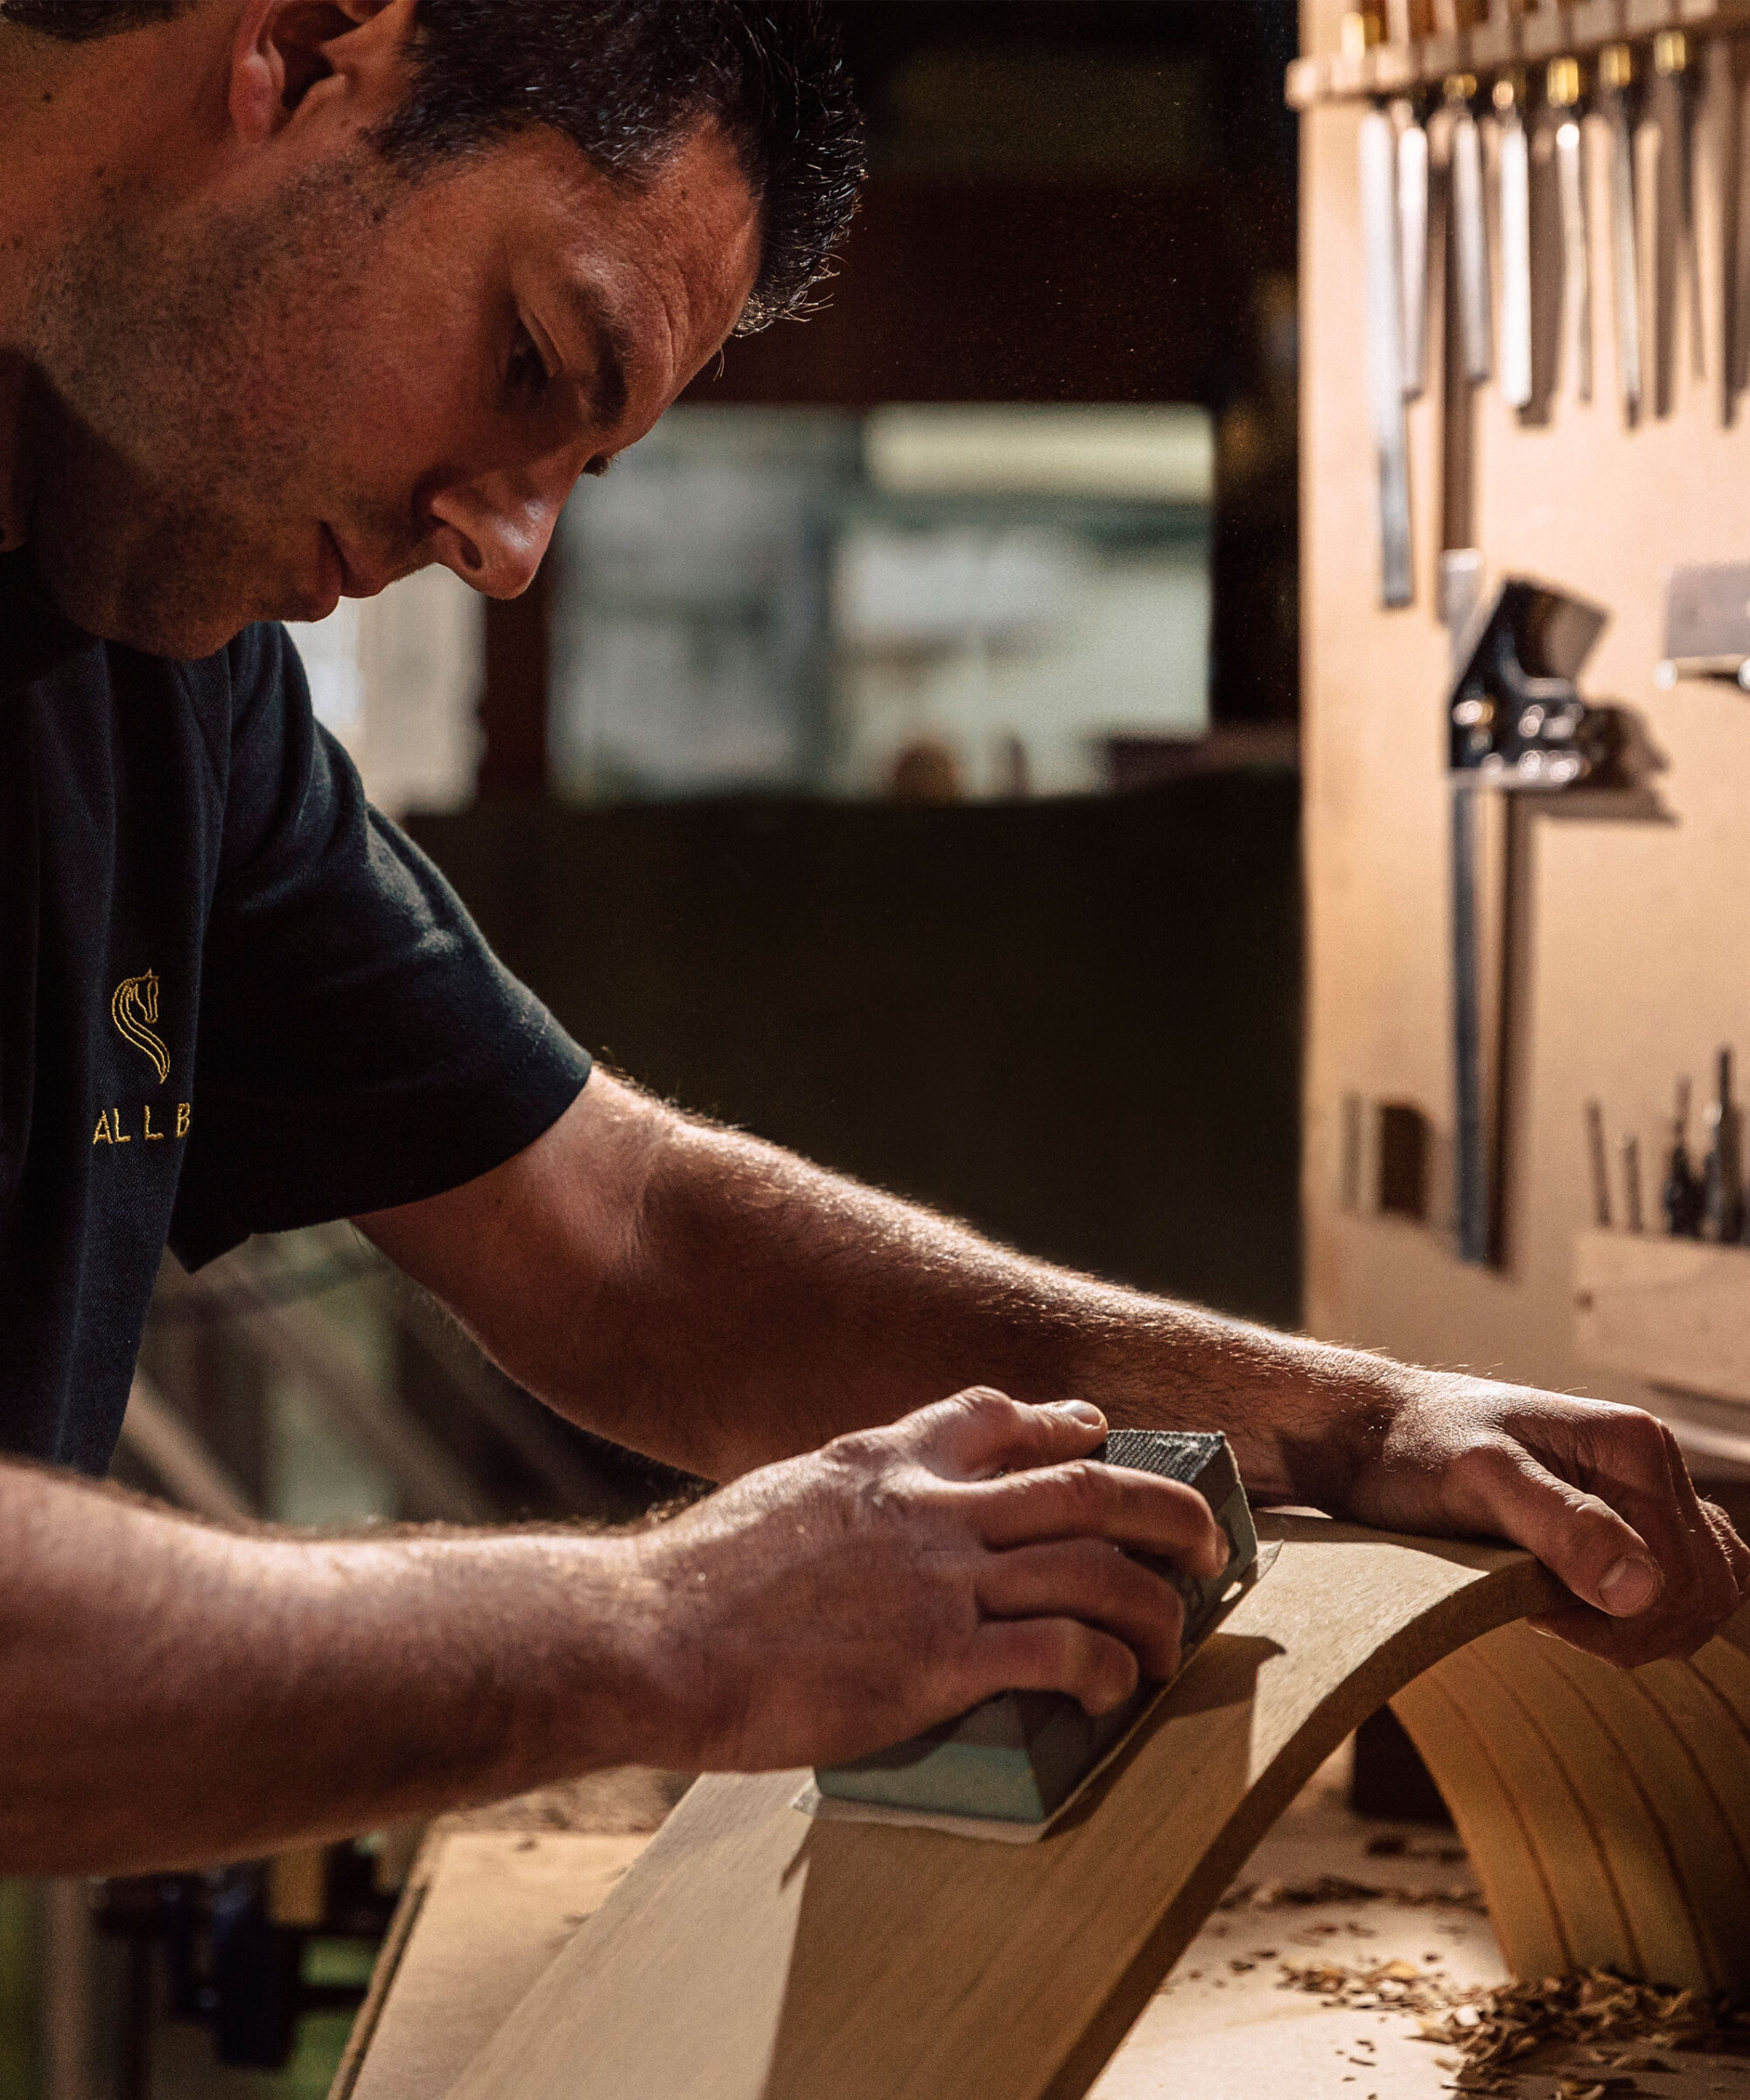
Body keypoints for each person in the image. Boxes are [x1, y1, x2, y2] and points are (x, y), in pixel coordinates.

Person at [0, 0, 1742, 1879]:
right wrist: (665, 1631)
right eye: (531, 358)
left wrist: (1344, 1421)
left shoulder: (167, 679)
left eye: (584, 466)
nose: (510, 549)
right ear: (309, 44)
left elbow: (621, 1238)